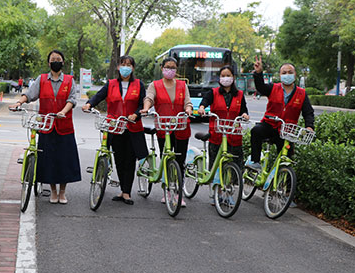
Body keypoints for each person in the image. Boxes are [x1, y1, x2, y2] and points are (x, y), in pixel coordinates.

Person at [10, 50, 81, 204]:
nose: (55, 61)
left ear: (63, 62)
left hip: (64, 126)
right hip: (46, 125)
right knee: (49, 160)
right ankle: (53, 191)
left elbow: (72, 99)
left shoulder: (69, 80)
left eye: (58, 59)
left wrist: (63, 112)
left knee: (65, 160)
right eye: (53, 59)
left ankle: (63, 192)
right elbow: (30, 94)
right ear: (49, 63)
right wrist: (19, 102)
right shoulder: (41, 79)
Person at [82, 55, 148, 205]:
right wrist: (89, 104)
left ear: (133, 68)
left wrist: (136, 114)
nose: (126, 67)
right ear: (118, 67)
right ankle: (122, 190)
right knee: (119, 159)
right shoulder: (111, 84)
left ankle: (126, 192)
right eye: (123, 64)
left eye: (129, 65)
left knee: (129, 160)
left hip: (132, 127)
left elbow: (142, 104)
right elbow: (98, 96)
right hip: (115, 126)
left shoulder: (138, 84)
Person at [245, 56, 314, 171]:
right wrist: (258, 73)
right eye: (284, 73)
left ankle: (284, 179)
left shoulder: (301, 93)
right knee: (256, 131)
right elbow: (261, 87)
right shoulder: (273, 88)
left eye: (290, 72)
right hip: (270, 125)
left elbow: (308, 112)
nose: (287, 75)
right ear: (280, 75)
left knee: (286, 160)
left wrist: (309, 126)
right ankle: (255, 162)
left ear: (295, 75)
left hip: (287, 130)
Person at [141, 57, 192, 205]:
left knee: (180, 161)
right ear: (162, 68)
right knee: (167, 159)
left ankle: (178, 192)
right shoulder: (155, 85)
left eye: (173, 67)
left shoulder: (182, 85)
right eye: (168, 67)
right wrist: (146, 108)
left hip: (181, 127)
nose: (170, 70)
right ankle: (168, 190)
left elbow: (187, 102)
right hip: (164, 128)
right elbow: (149, 98)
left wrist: (188, 109)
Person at [197, 65, 249, 168]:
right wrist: (202, 108)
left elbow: (243, 110)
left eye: (228, 75)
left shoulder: (239, 94)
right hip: (217, 133)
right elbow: (205, 101)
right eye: (223, 76)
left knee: (236, 164)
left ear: (233, 77)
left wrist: (245, 115)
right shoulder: (213, 92)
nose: (225, 78)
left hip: (233, 133)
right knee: (215, 164)